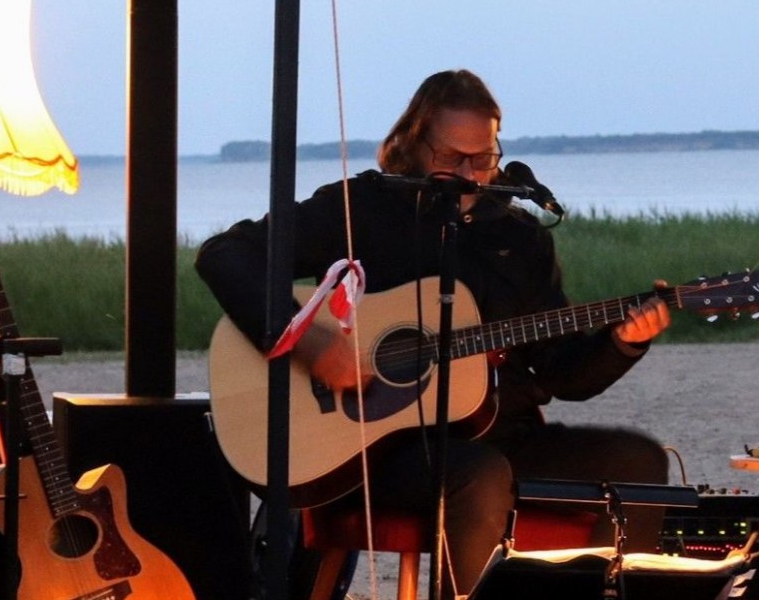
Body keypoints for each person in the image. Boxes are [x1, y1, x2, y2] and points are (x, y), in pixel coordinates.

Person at [195, 69, 672, 596]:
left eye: (484, 158)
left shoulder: (518, 237)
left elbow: (562, 374)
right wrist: (309, 341)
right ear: (414, 143)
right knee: (480, 476)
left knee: (640, 464)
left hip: (501, 434)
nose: (472, 174)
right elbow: (225, 255)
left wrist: (622, 343)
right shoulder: (363, 210)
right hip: (376, 450)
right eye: (453, 158)